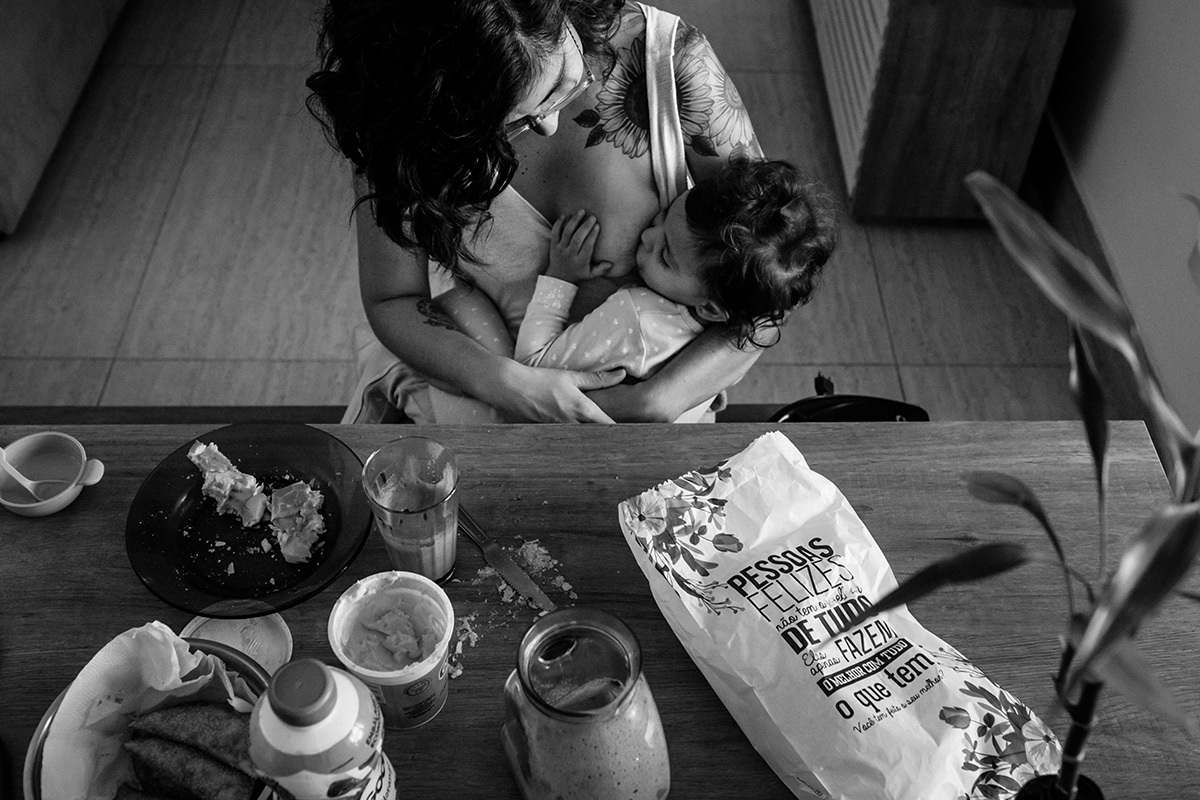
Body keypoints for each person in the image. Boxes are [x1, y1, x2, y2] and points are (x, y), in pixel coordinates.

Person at [307, 0, 774, 423]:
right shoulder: (395, 123)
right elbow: (392, 300)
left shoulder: (670, 63)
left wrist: (656, 401)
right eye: (508, 122)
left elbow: (774, 272)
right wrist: (507, 383)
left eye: (561, 83)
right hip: (487, 389)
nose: (548, 124)